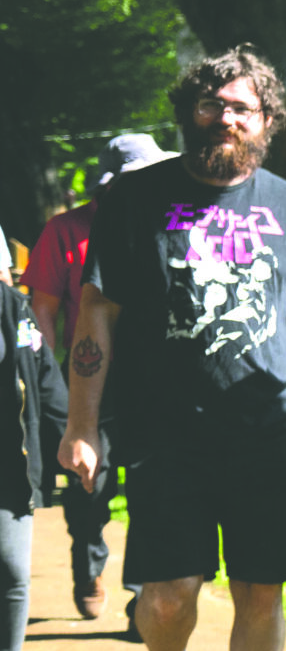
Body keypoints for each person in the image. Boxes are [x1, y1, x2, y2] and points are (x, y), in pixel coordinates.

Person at [58, 47, 286, 651]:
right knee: (166, 597)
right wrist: (82, 424)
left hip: (268, 432)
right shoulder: (133, 201)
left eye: (242, 107)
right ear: (189, 111)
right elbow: (97, 313)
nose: (225, 116)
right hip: (167, 434)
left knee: (263, 590)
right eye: (212, 104)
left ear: (266, 123)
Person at [24, 133, 174, 622]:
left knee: (153, 488)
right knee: (90, 485)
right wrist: (51, 380)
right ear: (108, 185)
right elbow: (43, 308)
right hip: (90, 379)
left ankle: (140, 594)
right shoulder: (66, 231)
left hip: (153, 379)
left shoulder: (167, 223)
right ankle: (87, 562)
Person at [1, 277, 69, 651]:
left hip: (10, 469)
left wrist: (72, 434)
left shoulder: (16, 311)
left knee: (12, 572)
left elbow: (45, 376)